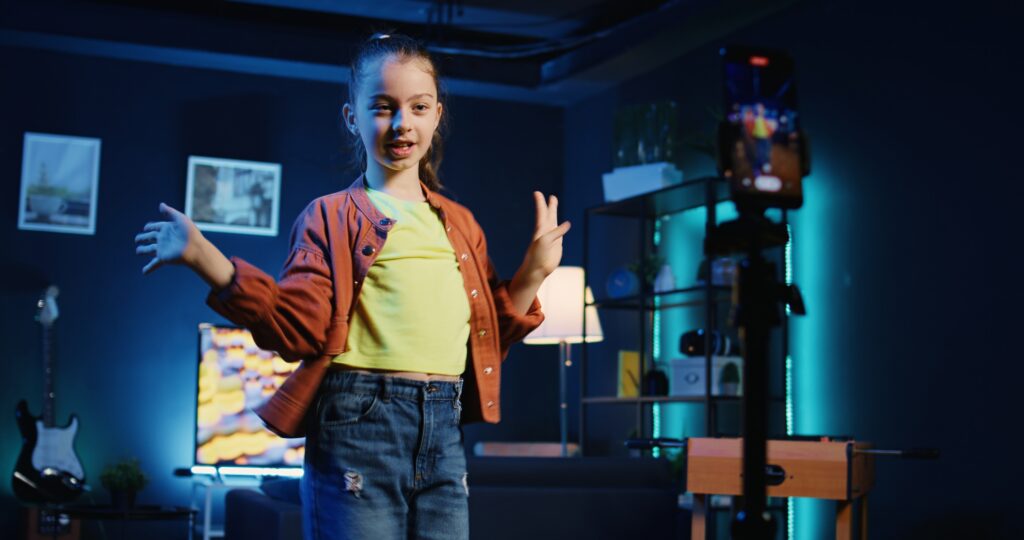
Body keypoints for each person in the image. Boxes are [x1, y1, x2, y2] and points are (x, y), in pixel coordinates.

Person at [134, 33, 570, 540]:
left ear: (436, 116)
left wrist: (534, 272)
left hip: (444, 424)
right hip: (359, 422)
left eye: (418, 107)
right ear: (351, 117)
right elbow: (299, 330)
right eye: (383, 107)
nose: (402, 123)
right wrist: (205, 258)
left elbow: (489, 335)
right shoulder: (328, 217)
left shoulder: (461, 223)